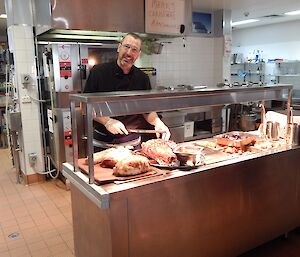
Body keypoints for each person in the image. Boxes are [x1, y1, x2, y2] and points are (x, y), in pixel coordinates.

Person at [84, 32, 170, 150]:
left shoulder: (142, 78)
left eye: (134, 49)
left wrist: (158, 123)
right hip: (103, 143)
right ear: (119, 47)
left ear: (138, 54)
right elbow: (85, 107)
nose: (129, 53)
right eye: (126, 47)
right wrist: (107, 121)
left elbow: (147, 110)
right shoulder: (98, 72)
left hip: (132, 144)